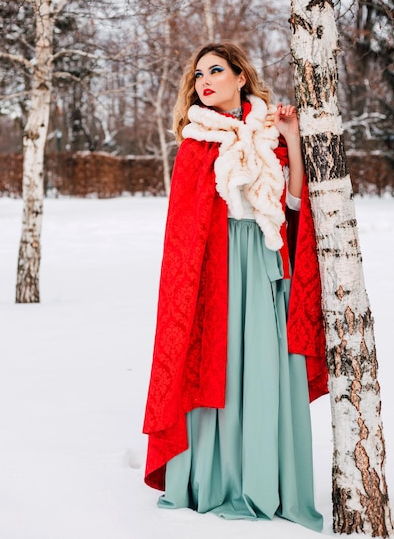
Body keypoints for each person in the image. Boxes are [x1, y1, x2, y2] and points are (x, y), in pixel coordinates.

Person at [143, 42, 328, 531]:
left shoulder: (270, 134)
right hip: (214, 273)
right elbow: (186, 231)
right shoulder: (195, 143)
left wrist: (291, 136)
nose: (205, 79)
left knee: (266, 373)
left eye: (217, 70)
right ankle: (209, 479)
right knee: (214, 370)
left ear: (241, 77)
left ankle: (264, 480)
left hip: (264, 264)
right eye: (199, 73)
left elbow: (291, 207)